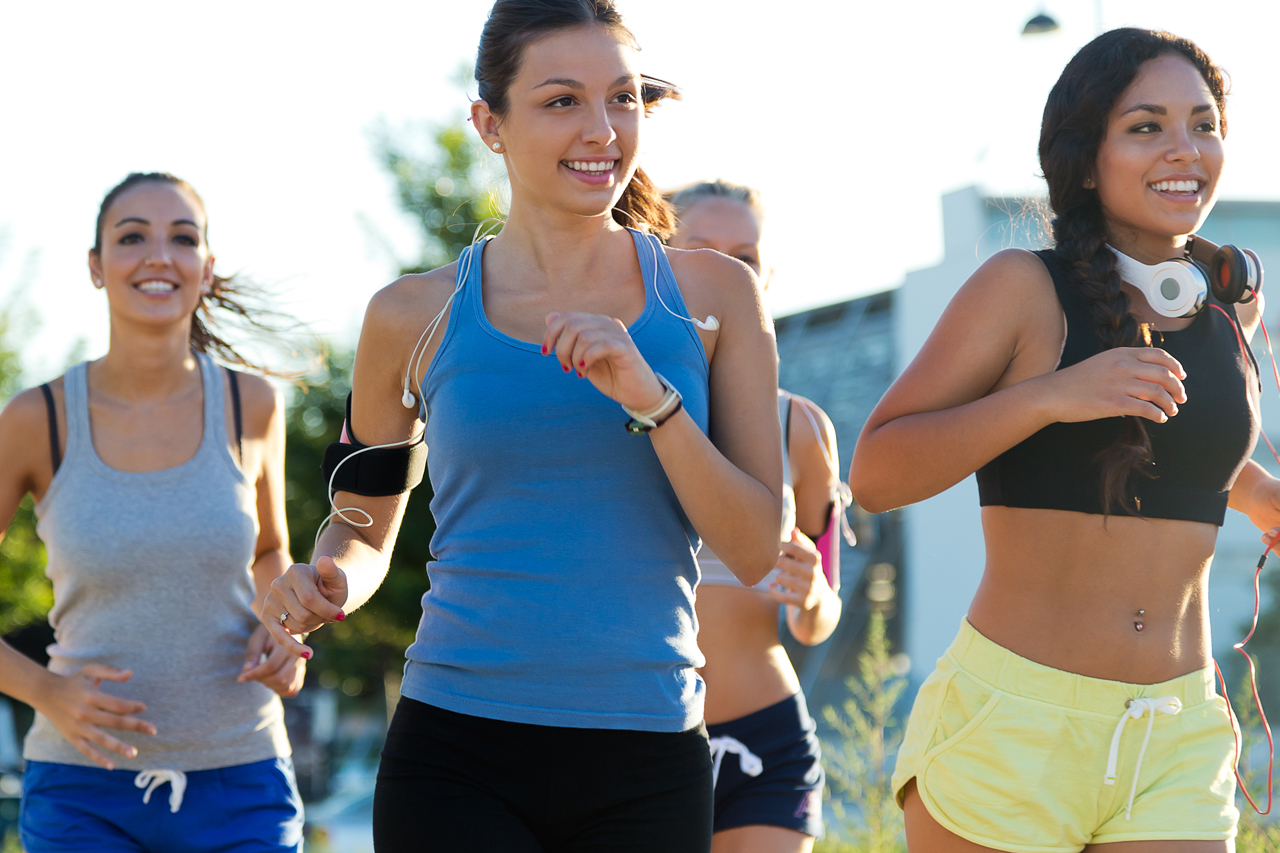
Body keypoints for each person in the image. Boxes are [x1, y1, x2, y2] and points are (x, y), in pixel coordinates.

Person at [259, 2, 784, 851]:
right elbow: (360, 528)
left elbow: (758, 545)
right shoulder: (409, 314)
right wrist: (325, 582)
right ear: (489, 123)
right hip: (455, 748)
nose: (603, 129)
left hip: (648, 751)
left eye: (622, 98)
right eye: (561, 100)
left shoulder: (717, 296)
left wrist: (651, 398)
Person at [850, 29, 1275, 853]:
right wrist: (1049, 397)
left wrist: (1258, 493)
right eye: (1147, 126)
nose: (1184, 149)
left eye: (1203, 123)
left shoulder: (1227, 308)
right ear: (1087, 159)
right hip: (1016, 723)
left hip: (1177, 728)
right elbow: (876, 472)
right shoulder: (1018, 288)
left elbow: (1180, 449)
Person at [0, 172, 304, 852]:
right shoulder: (35, 419)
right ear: (95, 266)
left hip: (243, 777)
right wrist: (44, 689)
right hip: (84, 787)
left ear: (208, 268)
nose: (159, 255)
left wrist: (282, 629)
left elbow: (268, 554)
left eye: (183, 238)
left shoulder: (251, 405)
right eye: (132, 236)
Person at [668, 180, 844, 853]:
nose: (724, 272)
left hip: (767, 738)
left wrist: (813, 592)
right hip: (639, 740)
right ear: (658, 261)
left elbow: (820, 614)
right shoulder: (606, 402)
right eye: (700, 251)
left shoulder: (800, 424)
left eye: (744, 258)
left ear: (765, 277)